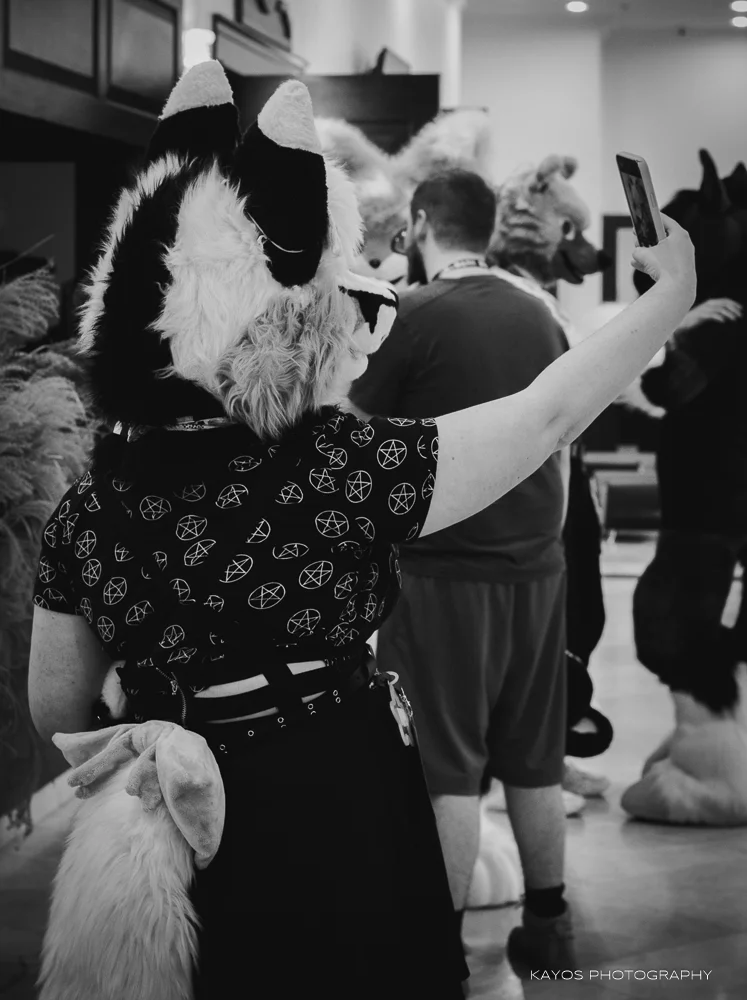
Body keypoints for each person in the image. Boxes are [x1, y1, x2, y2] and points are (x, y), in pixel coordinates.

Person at [28, 63, 695, 999]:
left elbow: (56, 709)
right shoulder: (336, 468)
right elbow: (545, 417)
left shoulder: (87, 510)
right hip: (331, 788)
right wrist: (668, 299)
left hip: (158, 827)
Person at [349, 168, 582, 972]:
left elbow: (349, 433)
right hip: (537, 566)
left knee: (443, 766)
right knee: (534, 752)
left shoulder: (411, 314)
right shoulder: (539, 313)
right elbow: (564, 440)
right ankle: (549, 927)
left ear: (418, 224)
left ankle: (435, 953)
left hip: (441, 571)